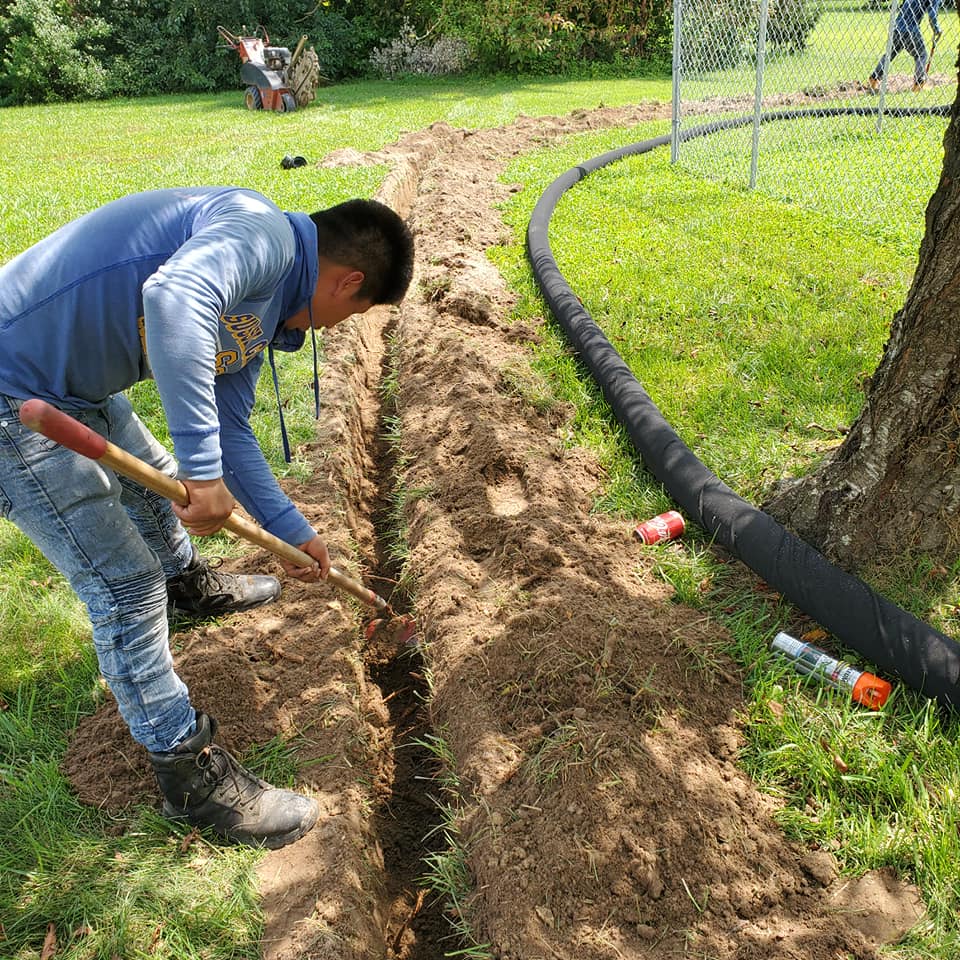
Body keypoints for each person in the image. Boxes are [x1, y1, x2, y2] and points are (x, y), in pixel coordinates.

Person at [0, 188, 414, 849]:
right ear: (348, 282)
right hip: (12, 394)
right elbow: (172, 299)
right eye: (353, 314)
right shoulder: (262, 236)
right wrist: (201, 473)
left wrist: (288, 531)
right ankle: (189, 774)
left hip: (70, 388)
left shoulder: (266, 307)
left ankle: (186, 584)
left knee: (150, 481)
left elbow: (230, 430)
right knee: (123, 587)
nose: (337, 329)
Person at [868, 0, 942, 93]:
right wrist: (937, 30)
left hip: (897, 27)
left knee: (889, 55)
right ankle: (918, 84)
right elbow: (932, 15)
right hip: (911, 29)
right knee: (921, 55)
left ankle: (874, 78)